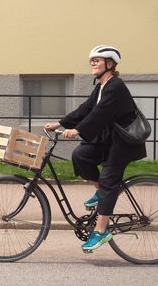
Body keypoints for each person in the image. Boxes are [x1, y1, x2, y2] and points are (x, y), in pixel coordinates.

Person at [44, 45, 146, 253]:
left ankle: (100, 231)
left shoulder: (115, 86)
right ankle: (101, 193)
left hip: (123, 143)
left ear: (109, 64)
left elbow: (99, 115)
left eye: (97, 60)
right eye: (91, 60)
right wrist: (61, 123)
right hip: (108, 139)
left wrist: (78, 130)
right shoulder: (101, 86)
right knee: (80, 155)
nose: (92, 63)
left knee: (109, 181)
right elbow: (87, 108)